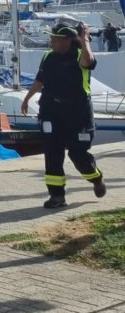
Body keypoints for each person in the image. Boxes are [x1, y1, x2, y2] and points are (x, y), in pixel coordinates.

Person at [20, 19, 107, 208]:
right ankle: (57, 196)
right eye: (52, 38)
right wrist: (27, 99)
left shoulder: (79, 54)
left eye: (57, 39)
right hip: (51, 111)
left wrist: (84, 40)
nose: (53, 42)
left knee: (78, 153)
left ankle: (95, 178)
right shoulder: (48, 56)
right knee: (52, 154)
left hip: (77, 113)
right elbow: (39, 79)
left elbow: (89, 62)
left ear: (68, 40)